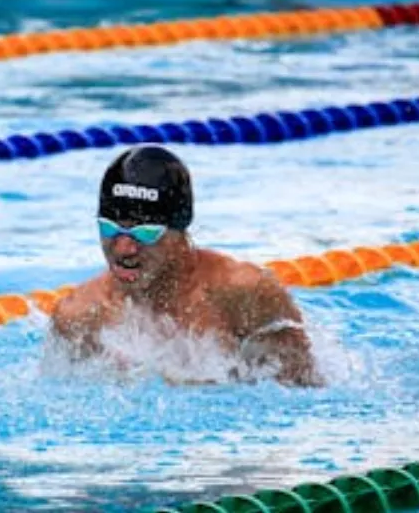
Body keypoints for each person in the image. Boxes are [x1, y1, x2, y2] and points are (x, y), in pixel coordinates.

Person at [46, 144, 324, 388]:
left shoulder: (243, 292)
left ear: (180, 230)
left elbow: (303, 388)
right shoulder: (79, 317)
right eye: (109, 228)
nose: (123, 249)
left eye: (144, 232)